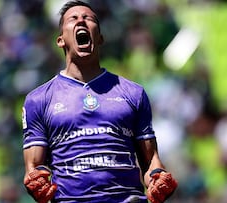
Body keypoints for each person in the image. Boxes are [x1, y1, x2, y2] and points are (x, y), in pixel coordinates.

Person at [21, 1, 177, 203]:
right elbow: (34, 168)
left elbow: (151, 162)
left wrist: (158, 179)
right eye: (73, 18)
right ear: (60, 40)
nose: (81, 21)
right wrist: (36, 183)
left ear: (100, 38)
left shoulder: (133, 92)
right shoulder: (38, 99)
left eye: (89, 18)